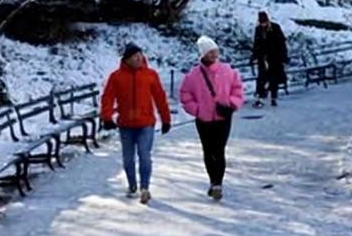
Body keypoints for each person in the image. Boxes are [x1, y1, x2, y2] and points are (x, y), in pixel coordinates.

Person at [100, 43, 172, 205]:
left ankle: (144, 188)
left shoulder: (150, 75)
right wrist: (107, 117)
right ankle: (132, 185)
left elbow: (160, 98)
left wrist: (166, 119)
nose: (139, 58)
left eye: (140, 54)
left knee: (144, 154)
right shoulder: (116, 76)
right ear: (127, 59)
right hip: (125, 124)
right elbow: (108, 98)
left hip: (146, 123)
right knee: (128, 159)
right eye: (135, 55)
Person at [180, 36, 244, 201]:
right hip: (204, 119)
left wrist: (231, 104)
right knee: (208, 150)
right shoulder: (194, 75)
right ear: (203, 54)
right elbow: (185, 95)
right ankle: (213, 180)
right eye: (210, 52)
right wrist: (198, 110)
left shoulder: (227, 70)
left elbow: (237, 89)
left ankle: (218, 184)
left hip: (223, 117)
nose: (214, 55)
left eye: (215, 51)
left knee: (219, 149)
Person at [251, 11, 289, 107]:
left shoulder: (275, 28)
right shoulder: (258, 29)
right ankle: (260, 97)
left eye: (264, 22)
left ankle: (273, 97)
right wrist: (254, 56)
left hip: (275, 58)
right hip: (263, 58)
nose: (263, 24)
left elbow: (281, 43)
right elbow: (256, 44)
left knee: (274, 79)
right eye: (261, 22)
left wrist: (283, 57)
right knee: (262, 78)